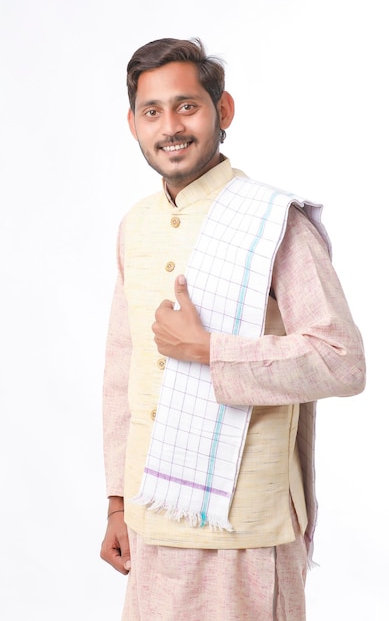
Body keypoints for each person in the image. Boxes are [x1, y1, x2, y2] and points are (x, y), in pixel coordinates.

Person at [100, 37, 366, 621]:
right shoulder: (135, 226)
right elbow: (124, 370)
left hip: (246, 526)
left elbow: (342, 361)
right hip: (152, 517)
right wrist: (117, 504)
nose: (170, 126)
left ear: (223, 111)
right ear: (133, 123)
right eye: (153, 111)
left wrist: (208, 350)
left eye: (187, 106)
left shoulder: (275, 221)